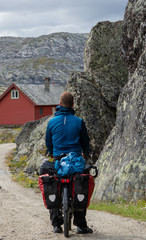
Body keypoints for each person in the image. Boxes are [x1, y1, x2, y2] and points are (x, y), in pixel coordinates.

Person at [45, 91, 93, 234]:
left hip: (58, 158)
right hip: (75, 159)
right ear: (73, 105)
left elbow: (48, 142)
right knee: (81, 183)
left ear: (59, 104)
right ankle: (81, 225)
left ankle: (56, 224)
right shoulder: (78, 121)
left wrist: (51, 152)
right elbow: (85, 141)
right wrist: (87, 153)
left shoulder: (52, 122)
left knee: (53, 183)